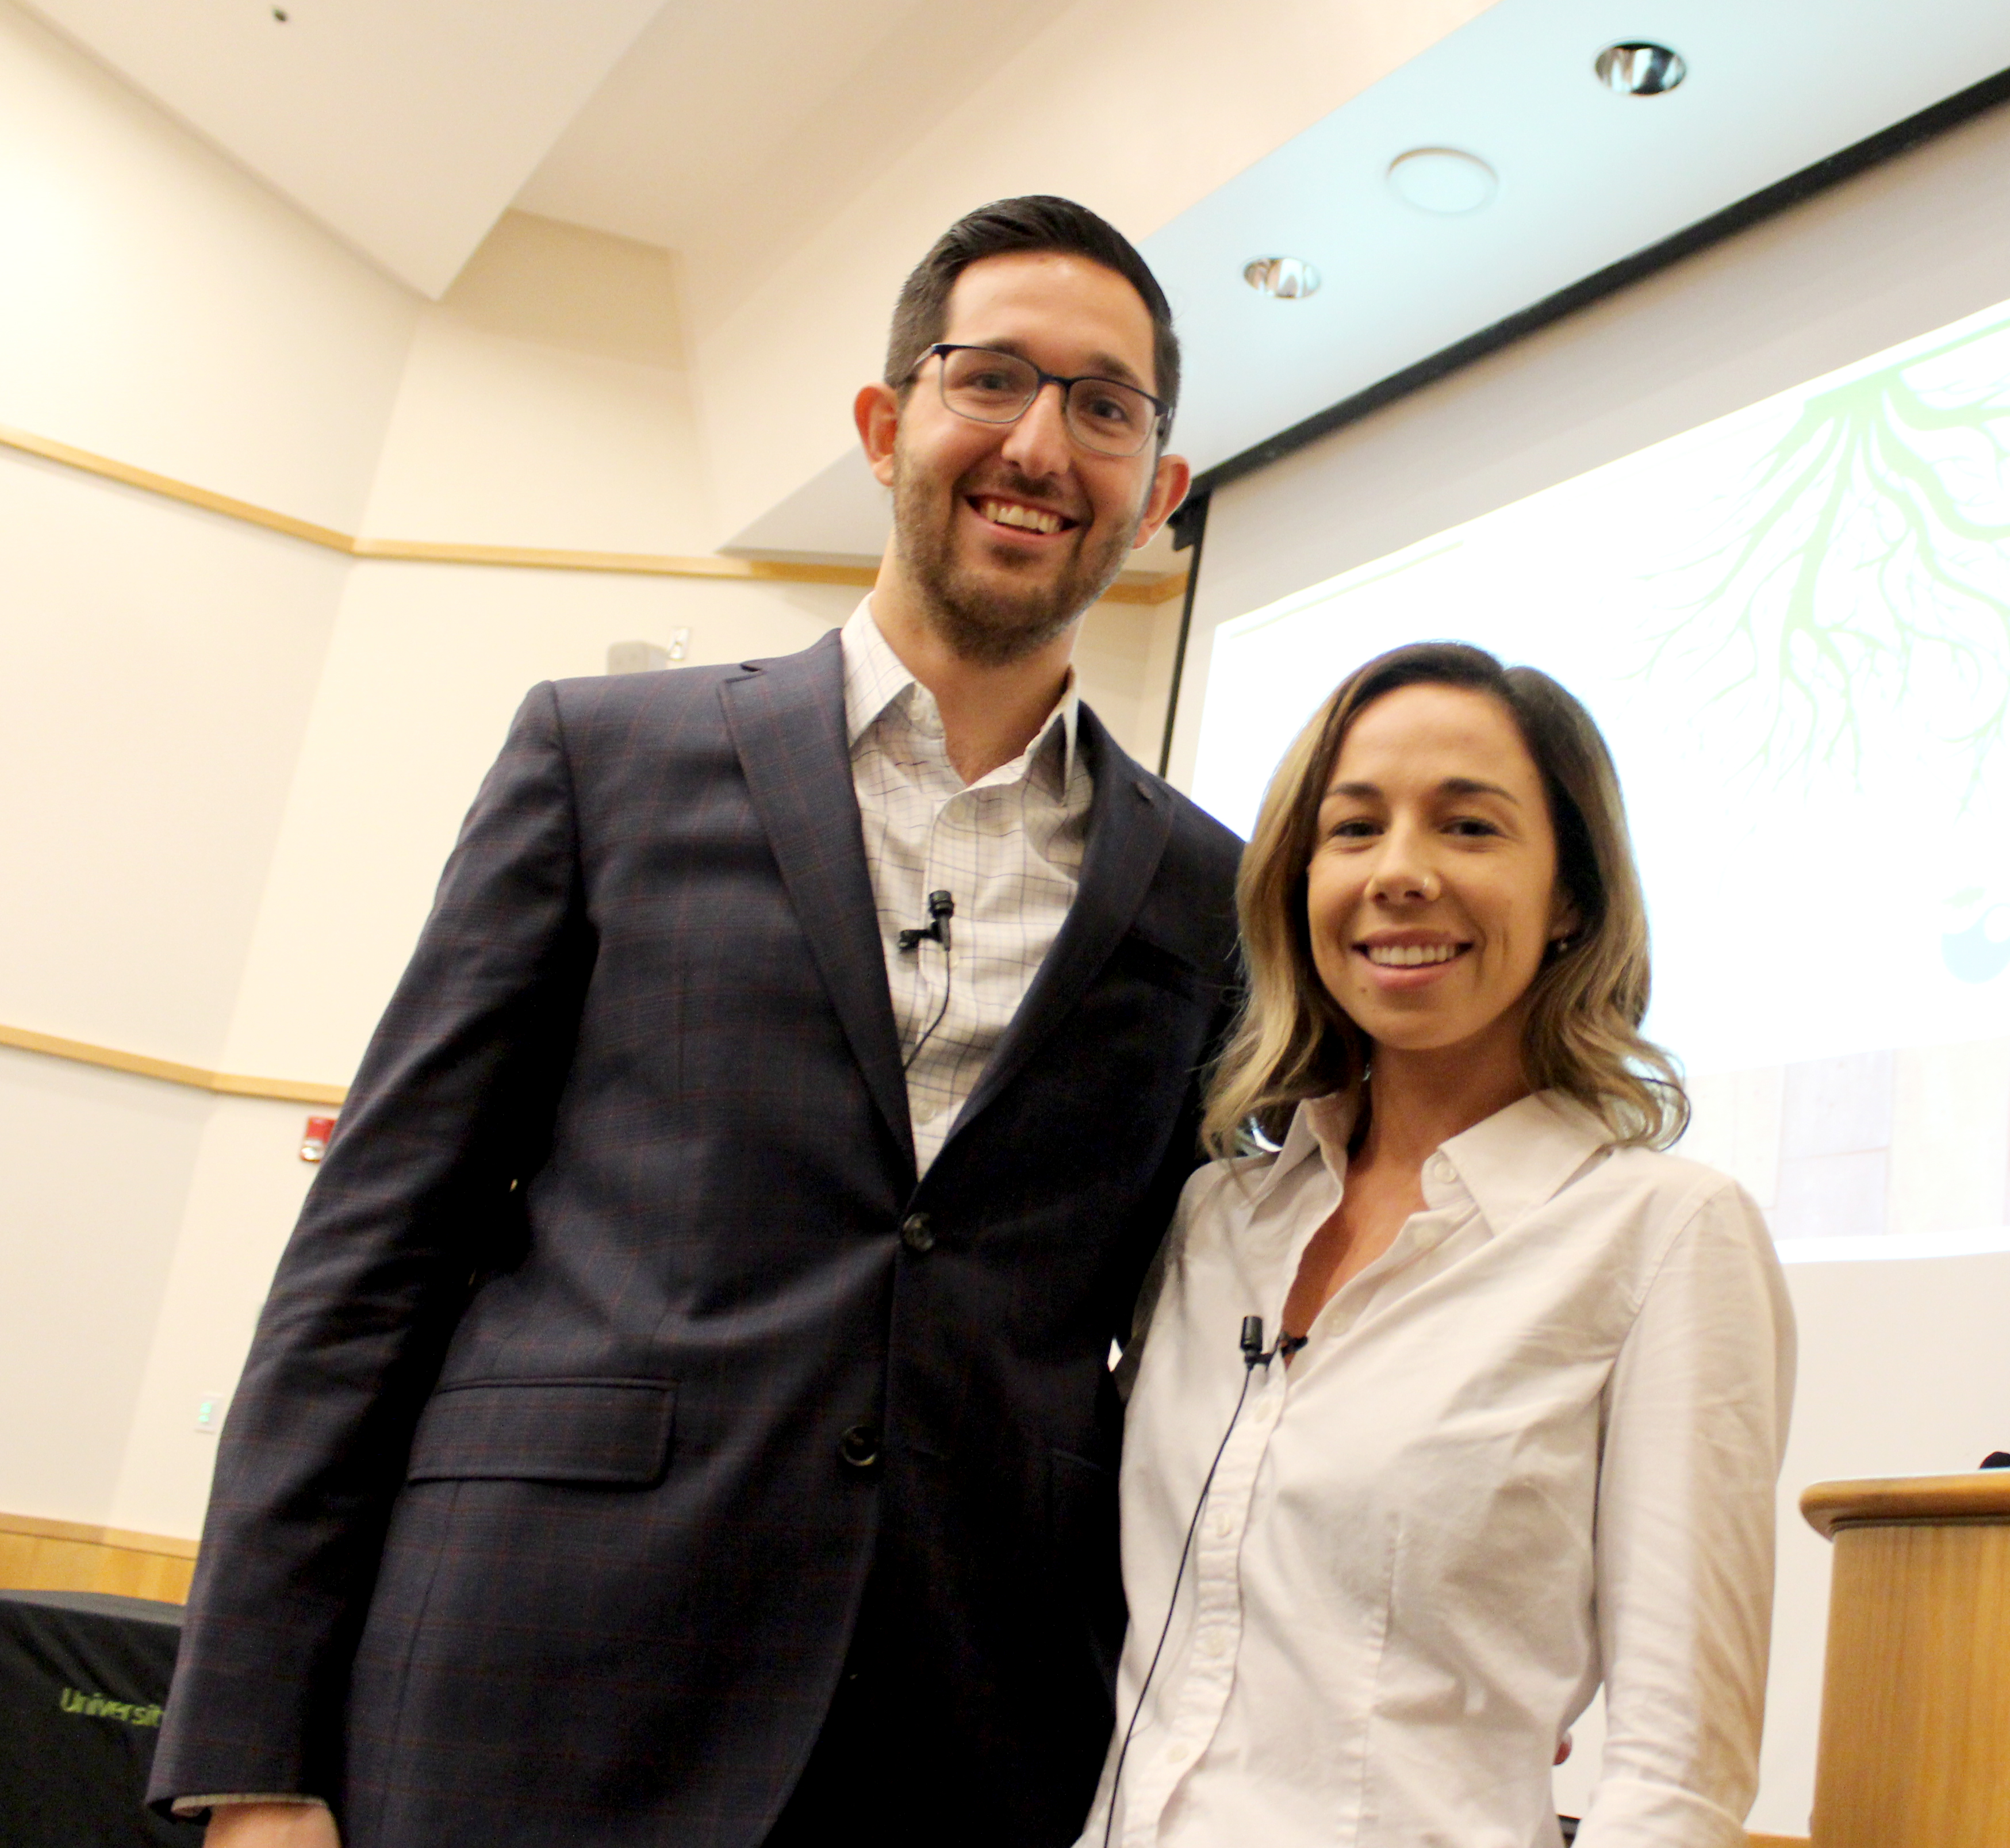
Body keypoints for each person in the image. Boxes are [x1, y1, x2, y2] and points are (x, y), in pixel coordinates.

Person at [148, 196, 1243, 1848]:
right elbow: (369, 1259)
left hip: (961, 1735)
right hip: (517, 1694)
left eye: (1106, 407)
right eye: (992, 380)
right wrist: (249, 1755)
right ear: (885, 427)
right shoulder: (604, 760)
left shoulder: (1209, 894)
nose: (1040, 442)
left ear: (1159, 495)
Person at [1083, 643, 1794, 1848]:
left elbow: (1677, 1780)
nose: (1401, 874)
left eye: (1469, 828)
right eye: (1353, 830)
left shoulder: (1666, 1237)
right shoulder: (1214, 1223)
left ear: (1572, 893)